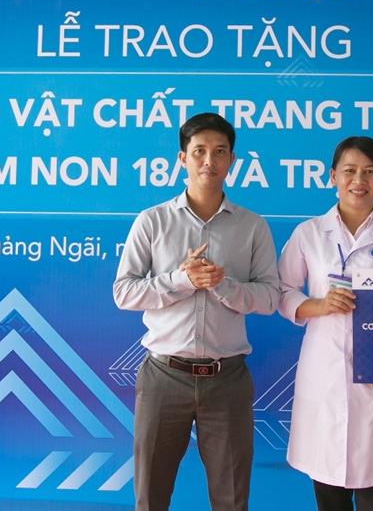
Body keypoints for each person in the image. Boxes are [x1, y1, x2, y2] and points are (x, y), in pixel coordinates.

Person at [113, 112, 280, 511]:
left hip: (228, 380)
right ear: (182, 159)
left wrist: (223, 285)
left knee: (231, 498)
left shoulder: (253, 226)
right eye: (199, 151)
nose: (209, 160)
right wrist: (183, 279)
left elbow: (270, 298)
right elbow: (124, 292)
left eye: (220, 152)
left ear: (232, 160)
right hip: (163, 376)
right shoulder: (152, 221)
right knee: (150, 497)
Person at [278, 136, 373, 511]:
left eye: (369, 172)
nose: (358, 180)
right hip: (325, 378)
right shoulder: (309, 233)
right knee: (328, 492)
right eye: (349, 171)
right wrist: (318, 305)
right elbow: (280, 292)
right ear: (333, 176)